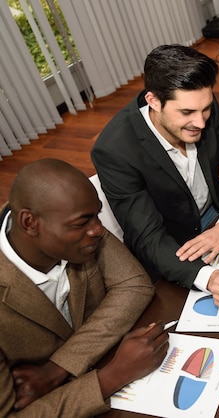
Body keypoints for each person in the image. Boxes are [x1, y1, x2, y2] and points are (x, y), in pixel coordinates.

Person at [92, 45, 219, 310]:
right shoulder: (115, 150)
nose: (200, 122)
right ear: (153, 101)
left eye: (206, 109)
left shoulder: (199, 103)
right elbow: (149, 238)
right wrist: (209, 278)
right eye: (186, 113)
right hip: (171, 250)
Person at [0, 158, 169, 417]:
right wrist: (112, 376)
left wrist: (58, 367)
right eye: (81, 223)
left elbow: (134, 285)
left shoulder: (70, 221)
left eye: (97, 215)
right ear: (29, 223)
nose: (99, 230)